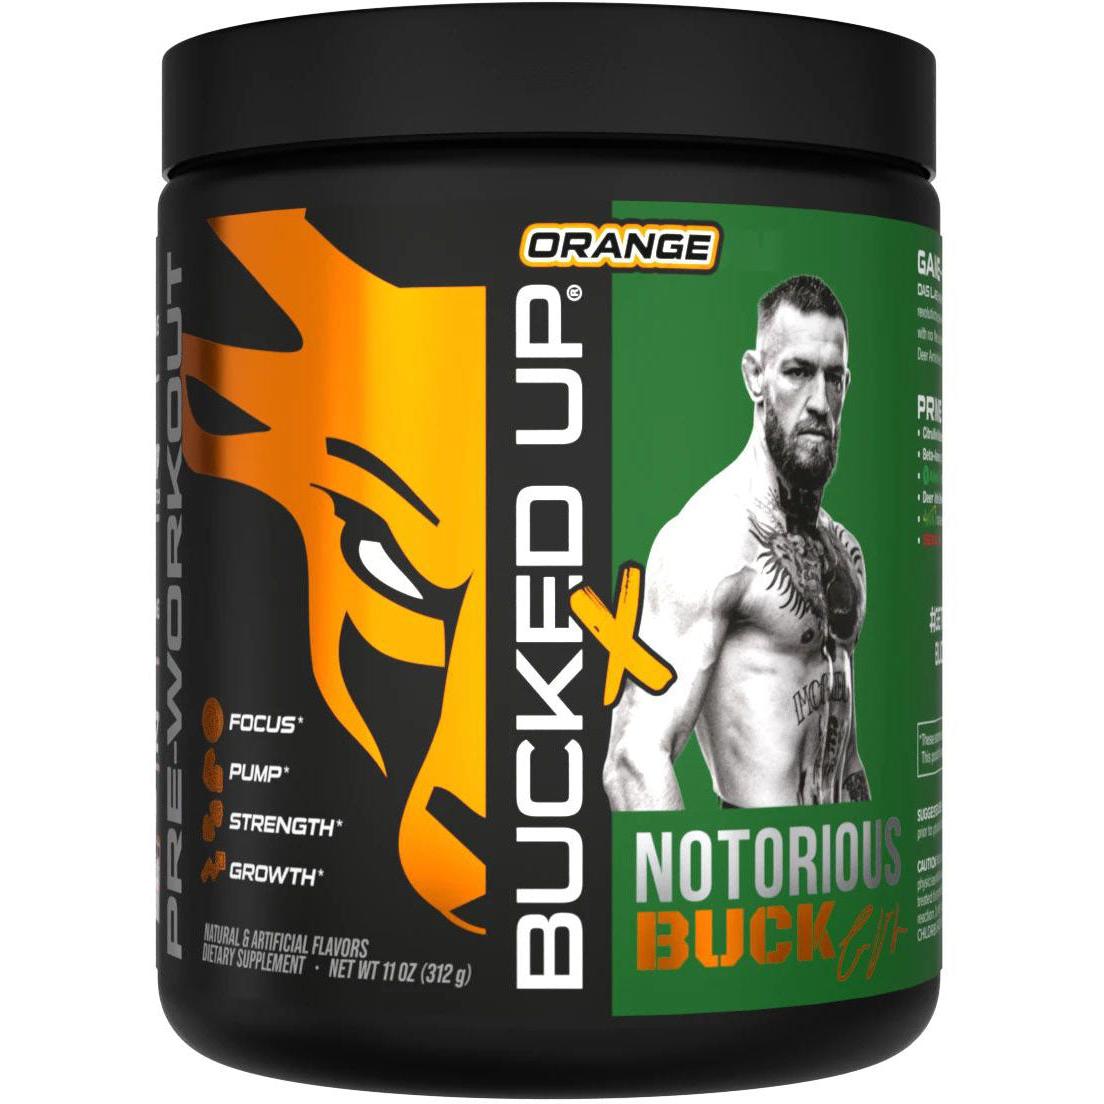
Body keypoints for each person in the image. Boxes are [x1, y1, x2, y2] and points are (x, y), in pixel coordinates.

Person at [604, 275, 870, 810]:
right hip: (756, 856)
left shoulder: (845, 550)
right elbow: (634, 756)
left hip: (844, 859)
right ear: (755, 377)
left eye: (834, 378)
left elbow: (845, 759)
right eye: (798, 372)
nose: (820, 401)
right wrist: (687, 868)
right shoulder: (709, 540)